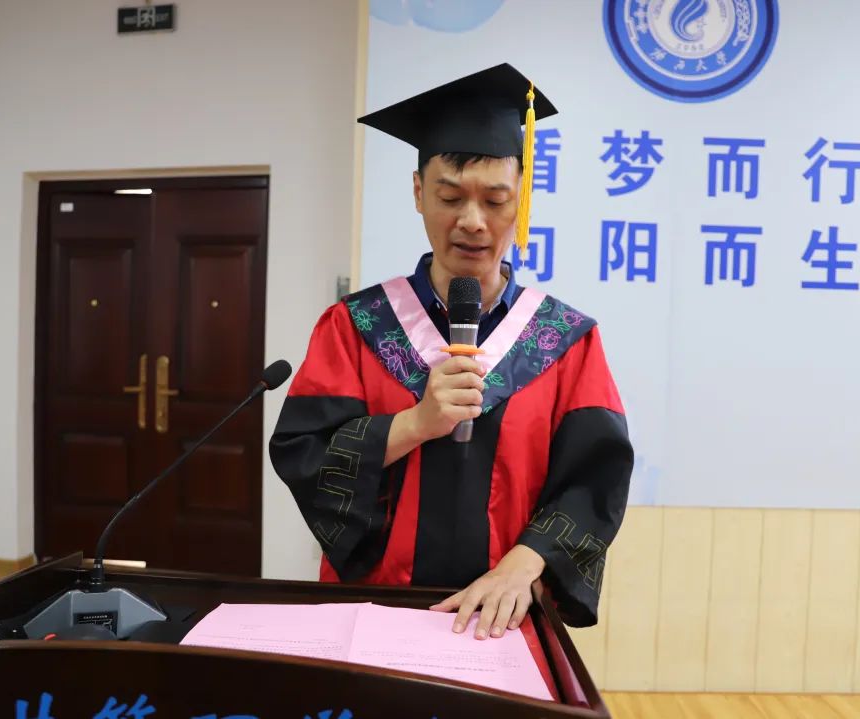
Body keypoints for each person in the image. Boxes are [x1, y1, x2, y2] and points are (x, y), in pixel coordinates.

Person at [269, 64, 633, 639]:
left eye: (496, 200)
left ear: (522, 199)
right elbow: (303, 454)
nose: (472, 222)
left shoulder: (565, 340)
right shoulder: (355, 326)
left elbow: (595, 480)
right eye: (449, 196)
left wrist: (526, 563)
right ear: (418, 193)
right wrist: (414, 424)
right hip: (375, 609)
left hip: (503, 618)